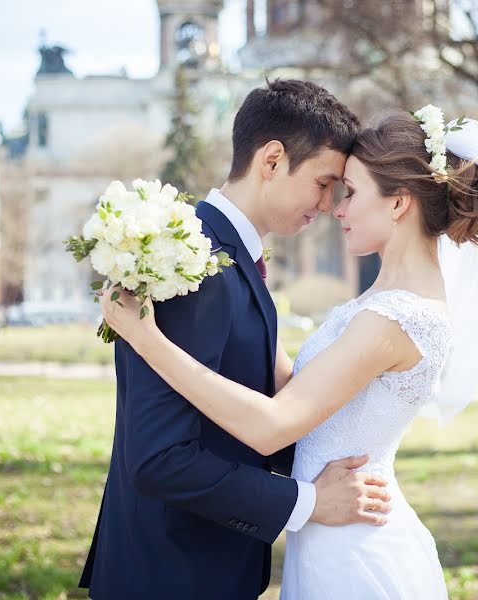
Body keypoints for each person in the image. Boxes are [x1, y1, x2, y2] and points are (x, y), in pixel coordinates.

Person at [100, 109, 478, 599]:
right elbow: (297, 385)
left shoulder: (397, 319)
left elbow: (272, 423)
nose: (336, 208)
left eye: (350, 191)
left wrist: (146, 338)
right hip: (329, 537)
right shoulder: (378, 304)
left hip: (355, 548)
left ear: (398, 205)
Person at [80, 80, 396, 600]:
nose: (326, 205)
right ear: (272, 160)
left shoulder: (228, 258)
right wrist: (306, 503)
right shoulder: (190, 263)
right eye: (322, 183)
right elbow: (160, 458)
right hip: (170, 576)